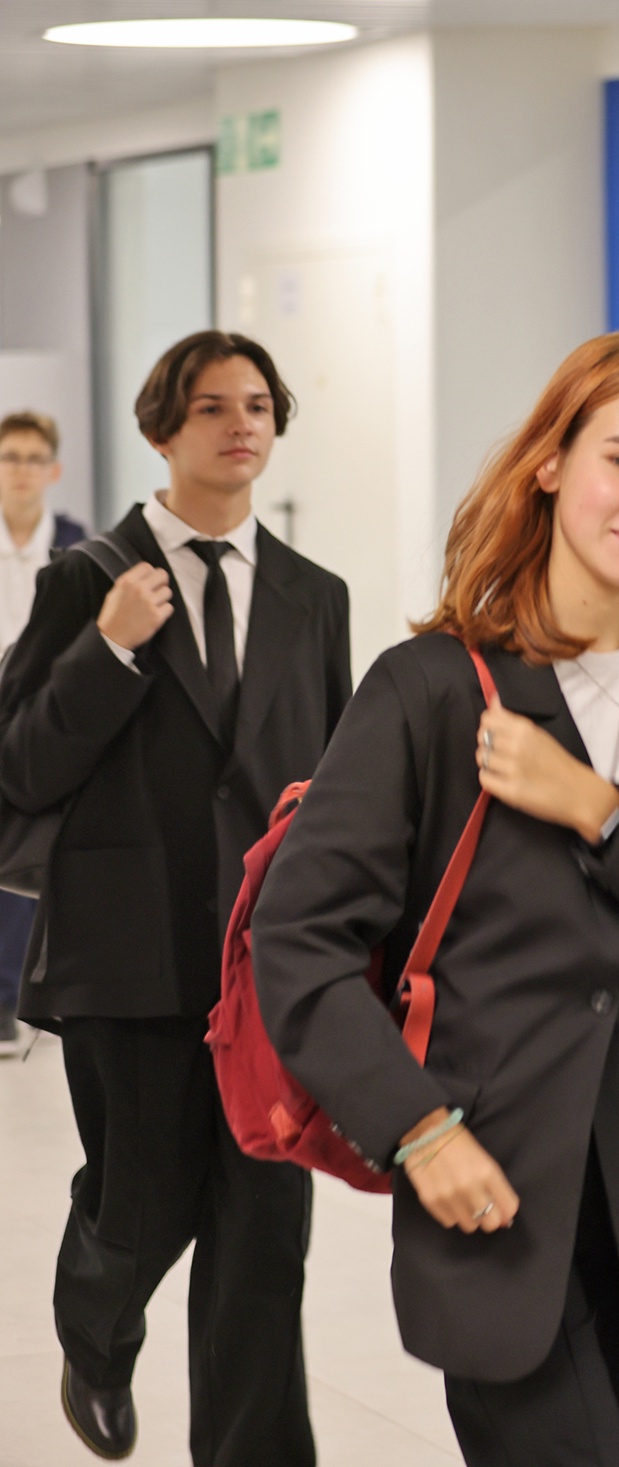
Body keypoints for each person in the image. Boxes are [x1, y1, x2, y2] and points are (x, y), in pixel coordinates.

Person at [250, 332, 619, 1467]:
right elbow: (297, 938)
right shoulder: (431, 689)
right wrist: (417, 1127)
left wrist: (600, 810)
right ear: (550, 463)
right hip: (490, 1182)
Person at [0, 334, 350, 1464]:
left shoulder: (315, 596)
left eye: (258, 406)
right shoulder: (84, 581)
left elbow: (334, 786)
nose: (240, 424)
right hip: (128, 955)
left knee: (264, 1241)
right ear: (160, 429)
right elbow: (18, 769)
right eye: (211, 407)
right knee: (142, 1201)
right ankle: (96, 1337)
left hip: (271, 967)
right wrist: (106, 651)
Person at [0, 408, 84, 1058]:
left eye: (34, 459)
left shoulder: (77, 546)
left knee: (31, 852)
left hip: (45, 715)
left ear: (52, 470)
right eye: (10, 457)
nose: (22, 470)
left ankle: (15, 994)